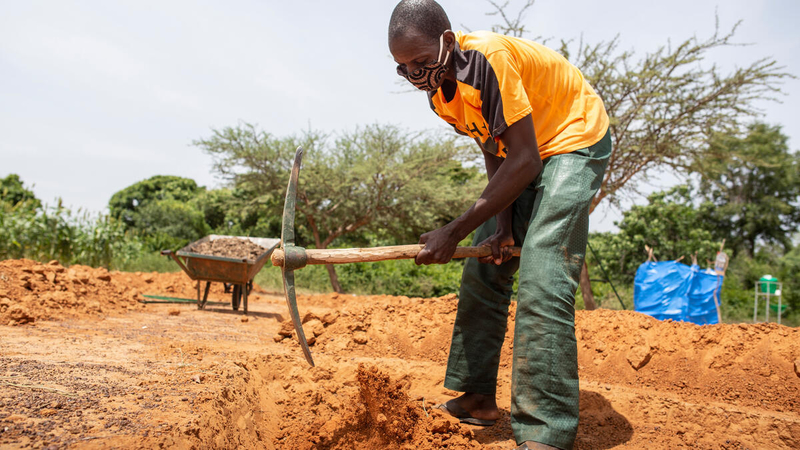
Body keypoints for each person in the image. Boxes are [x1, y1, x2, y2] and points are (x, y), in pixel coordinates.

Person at [388, 1, 611, 449]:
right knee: (487, 265)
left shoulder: (486, 60)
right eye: (403, 68)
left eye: (422, 62)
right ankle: (478, 400)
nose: (416, 75)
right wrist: (502, 227)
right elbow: (494, 146)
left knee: (543, 274)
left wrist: (452, 230)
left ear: (447, 41)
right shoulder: (439, 96)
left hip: (572, 137)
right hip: (526, 152)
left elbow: (525, 158)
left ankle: (546, 431)